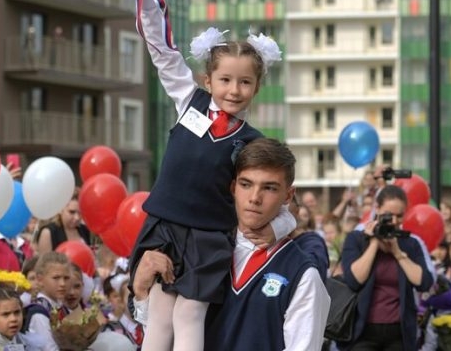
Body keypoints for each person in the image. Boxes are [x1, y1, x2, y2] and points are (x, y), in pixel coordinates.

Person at [125, 0, 296, 351]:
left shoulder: (252, 142)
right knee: (159, 309)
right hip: (165, 225)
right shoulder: (190, 101)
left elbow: (274, 195)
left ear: (257, 86)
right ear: (207, 81)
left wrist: (277, 229)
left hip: (208, 236)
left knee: (189, 314)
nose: (234, 90)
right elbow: (163, 53)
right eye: (225, 80)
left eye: (245, 82)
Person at [133, 138, 330, 350]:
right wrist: (141, 293)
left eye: (270, 188)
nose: (255, 198)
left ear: (288, 195)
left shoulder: (302, 274)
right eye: (246, 184)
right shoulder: (196, 252)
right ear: (233, 187)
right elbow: (164, 336)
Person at [338, 185, 434, 350]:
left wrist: (397, 253)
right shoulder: (356, 239)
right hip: (361, 332)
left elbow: (424, 283)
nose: (394, 222)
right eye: (389, 216)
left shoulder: (410, 243)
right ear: (377, 209)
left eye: (400, 216)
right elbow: (354, 281)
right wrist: (374, 242)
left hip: (398, 334)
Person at [34, 189, 90, 254]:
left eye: (80, 213)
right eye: (72, 212)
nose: (77, 217)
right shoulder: (48, 233)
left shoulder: (84, 230)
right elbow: (44, 262)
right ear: (60, 209)